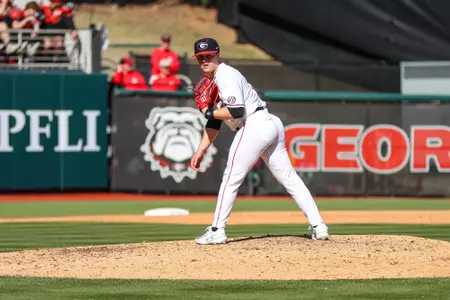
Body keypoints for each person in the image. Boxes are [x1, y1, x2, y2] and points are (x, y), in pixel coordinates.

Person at [190, 38, 329, 245]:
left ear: (218, 55)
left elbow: (236, 111)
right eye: (201, 57)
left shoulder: (225, 75)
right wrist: (201, 150)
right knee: (289, 177)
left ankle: (217, 230)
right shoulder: (217, 81)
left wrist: (207, 110)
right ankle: (319, 225)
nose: (205, 59)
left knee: (231, 178)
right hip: (270, 123)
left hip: (254, 125)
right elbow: (214, 122)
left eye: (209, 55)